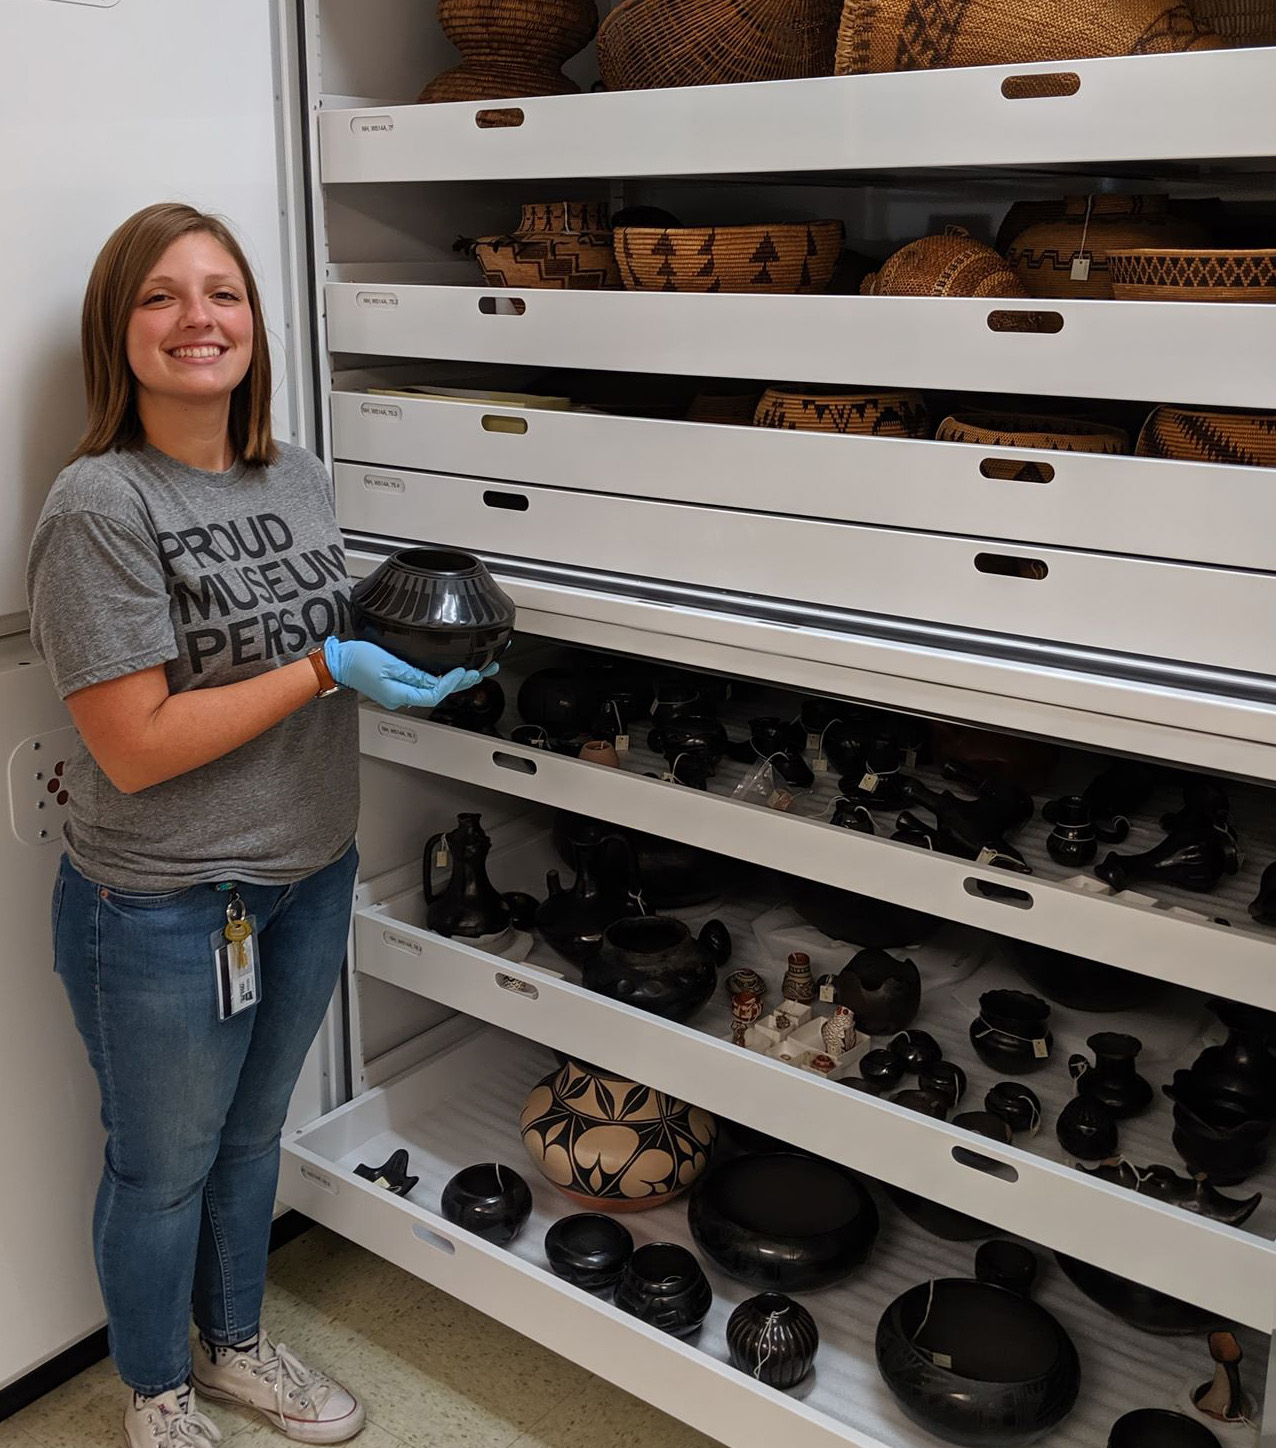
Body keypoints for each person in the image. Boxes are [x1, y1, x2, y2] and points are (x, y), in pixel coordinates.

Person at [27, 202, 490, 1447]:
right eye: (161, 297)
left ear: (254, 323)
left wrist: (412, 646)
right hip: (168, 904)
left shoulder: (295, 474)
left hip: (305, 872)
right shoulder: (98, 505)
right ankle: (157, 1395)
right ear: (117, 334)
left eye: (223, 292)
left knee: (247, 1139)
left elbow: (308, 645)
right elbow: (133, 746)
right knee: (160, 1167)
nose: (199, 319)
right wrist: (329, 667)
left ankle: (233, 1350)